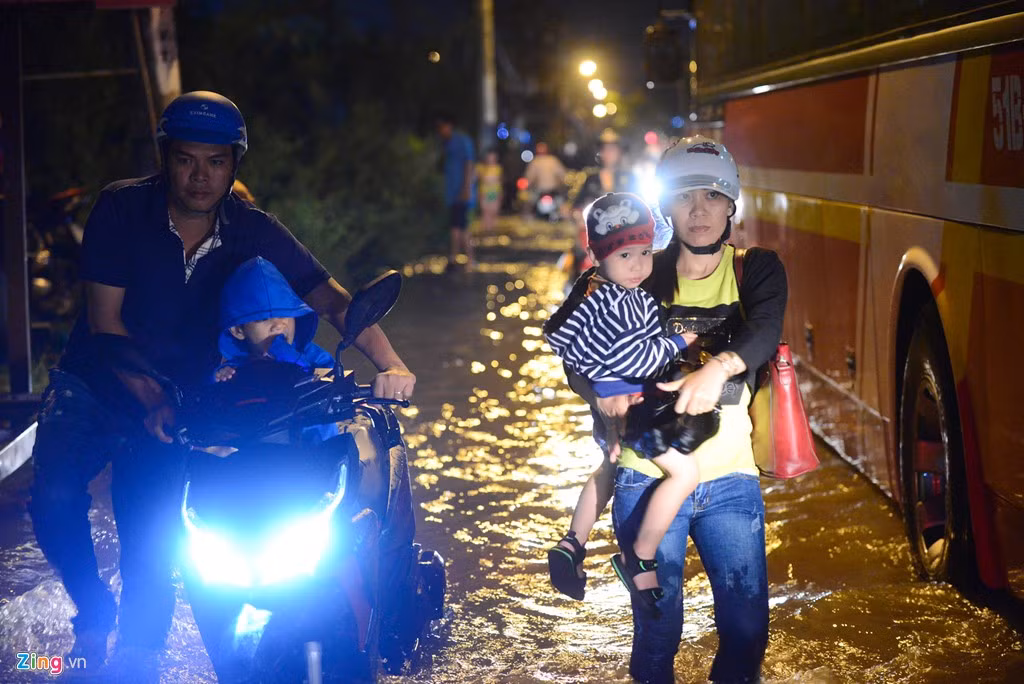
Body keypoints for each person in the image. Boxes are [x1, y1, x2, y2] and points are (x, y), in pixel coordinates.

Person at [27, 90, 415, 677]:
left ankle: (134, 656)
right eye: (186, 159)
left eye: (216, 162)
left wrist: (393, 364)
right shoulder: (120, 210)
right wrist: (152, 399)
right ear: (165, 157)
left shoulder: (252, 229)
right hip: (97, 376)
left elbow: (331, 299)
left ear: (235, 164)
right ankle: (92, 611)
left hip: (182, 395)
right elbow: (107, 322)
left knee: (154, 537)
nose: (200, 176)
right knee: (51, 496)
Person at [552, 136, 786, 683]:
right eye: (685, 197)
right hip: (645, 473)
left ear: (732, 204)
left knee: (748, 634)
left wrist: (717, 367)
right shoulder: (634, 268)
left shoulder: (758, 270)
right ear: (665, 208)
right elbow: (574, 345)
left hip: (731, 477)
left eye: (712, 196)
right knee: (659, 631)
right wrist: (596, 393)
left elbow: (764, 332)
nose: (699, 210)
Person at [544, 192, 716, 609]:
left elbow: (557, 335)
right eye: (626, 256)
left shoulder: (593, 293)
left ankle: (573, 541)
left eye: (645, 252)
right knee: (683, 474)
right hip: (638, 407)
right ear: (596, 255)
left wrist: (598, 383)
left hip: (612, 406)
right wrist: (678, 342)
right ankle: (637, 557)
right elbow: (634, 357)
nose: (639, 265)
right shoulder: (624, 300)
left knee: (609, 464)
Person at [435, 111, 475, 270]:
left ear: (449, 125)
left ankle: (467, 259)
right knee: (457, 226)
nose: (440, 130)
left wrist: (466, 188)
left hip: (461, 192)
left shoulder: (462, 141)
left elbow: (469, 164)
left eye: (441, 126)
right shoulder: (447, 143)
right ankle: (456, 258)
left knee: (460, 227)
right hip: (452, 193)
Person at [524, 141, 567, 206]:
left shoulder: (536, 161)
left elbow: (529, 177)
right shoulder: (553, 160)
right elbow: (563, 175)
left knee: (529, 201)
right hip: (542, 190)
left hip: (551, 190)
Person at [476, 148, 503, 234]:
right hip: (484, 193)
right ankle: (486, 229)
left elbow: (500, 182)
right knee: (486, 211)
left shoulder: (498, 169)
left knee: (494, 211)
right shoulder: (481, 168)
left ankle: (492, 229)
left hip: (494, 193)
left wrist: (500, 193)